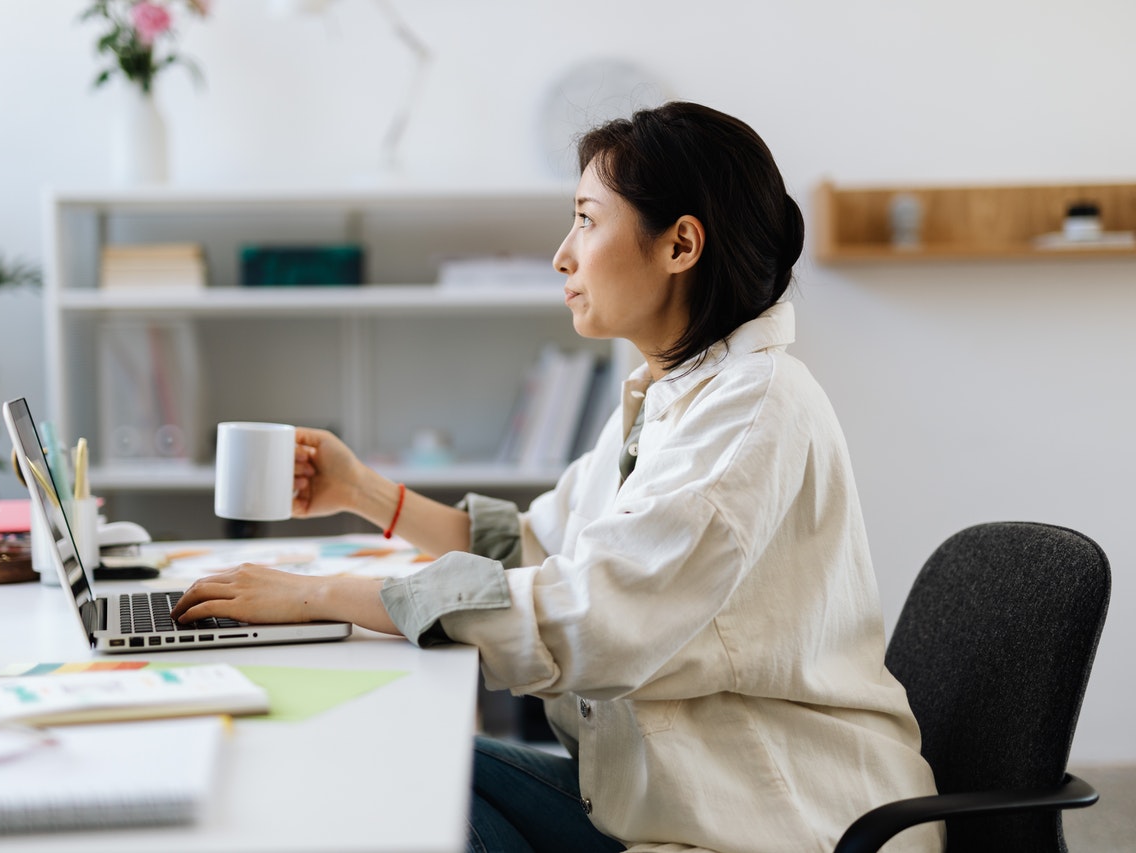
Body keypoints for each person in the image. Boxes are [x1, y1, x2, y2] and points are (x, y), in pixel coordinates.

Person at [172, 101, 943, 853]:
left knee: (410, 797)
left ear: (680, 245)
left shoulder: (753, 409)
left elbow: (593, 615)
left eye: (585, 218)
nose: (562, 255)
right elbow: (536, 547)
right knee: (418, 770)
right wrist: (359, 492)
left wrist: (311, 595)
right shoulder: (671, 392)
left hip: (771, 820)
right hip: (667, 800)